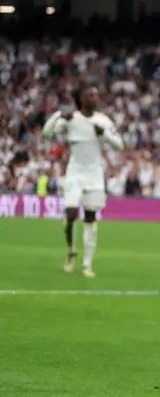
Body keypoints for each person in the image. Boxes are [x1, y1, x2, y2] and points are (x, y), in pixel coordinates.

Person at [41, 86, 124, 279]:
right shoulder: (71, 119)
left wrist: (103, 133)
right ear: (81, 98)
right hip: (75, 172)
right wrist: (58, 115)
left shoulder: (103, 121)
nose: (94, 98)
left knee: (90, 217)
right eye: (90, 95)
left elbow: (120, 145)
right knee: (70, 213)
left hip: (94, 174)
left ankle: (87, 264)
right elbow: (46, 134)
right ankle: (71, 252)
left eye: (96, 94)